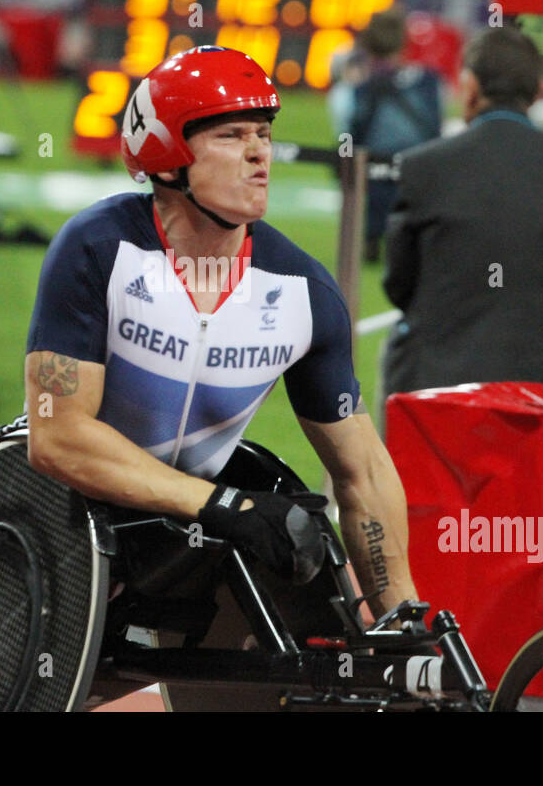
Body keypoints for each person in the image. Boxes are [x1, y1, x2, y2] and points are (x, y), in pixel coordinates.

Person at [22, 45, 418, 614]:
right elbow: (56, 438)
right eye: (231, 135)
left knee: (312, 591)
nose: (260, 153)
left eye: (263, 132)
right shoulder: (96, 250)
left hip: (194, 532)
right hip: (63, 520)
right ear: (167, 156)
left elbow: (364, 473)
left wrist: (400, 618)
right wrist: (225, 505)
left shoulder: (304, 292)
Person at [382, 26, 543, 403]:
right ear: (539, 91)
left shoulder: (423, 168)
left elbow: (399, 284)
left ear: (470, 87)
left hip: (440, 388)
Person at [341, 7, 442, 262]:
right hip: (418, 166)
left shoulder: (363, 87)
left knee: (375, 220)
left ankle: (371, 242)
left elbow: (355, 128)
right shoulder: (427, 81)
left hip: (375, 167)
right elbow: (435, 125)